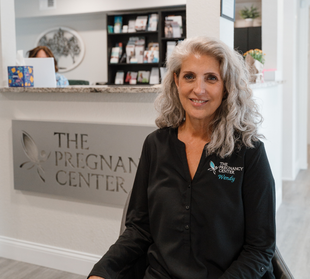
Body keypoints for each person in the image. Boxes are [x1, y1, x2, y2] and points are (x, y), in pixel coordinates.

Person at [88, 36, 276, 279]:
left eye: (211, 78)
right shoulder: (155, 145)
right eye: (189, 76)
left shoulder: (248, 152)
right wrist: (103, 271)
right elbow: (139, 229)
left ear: (226, 86)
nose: (199, 89)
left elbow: (259, 249)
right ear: (176, 81)